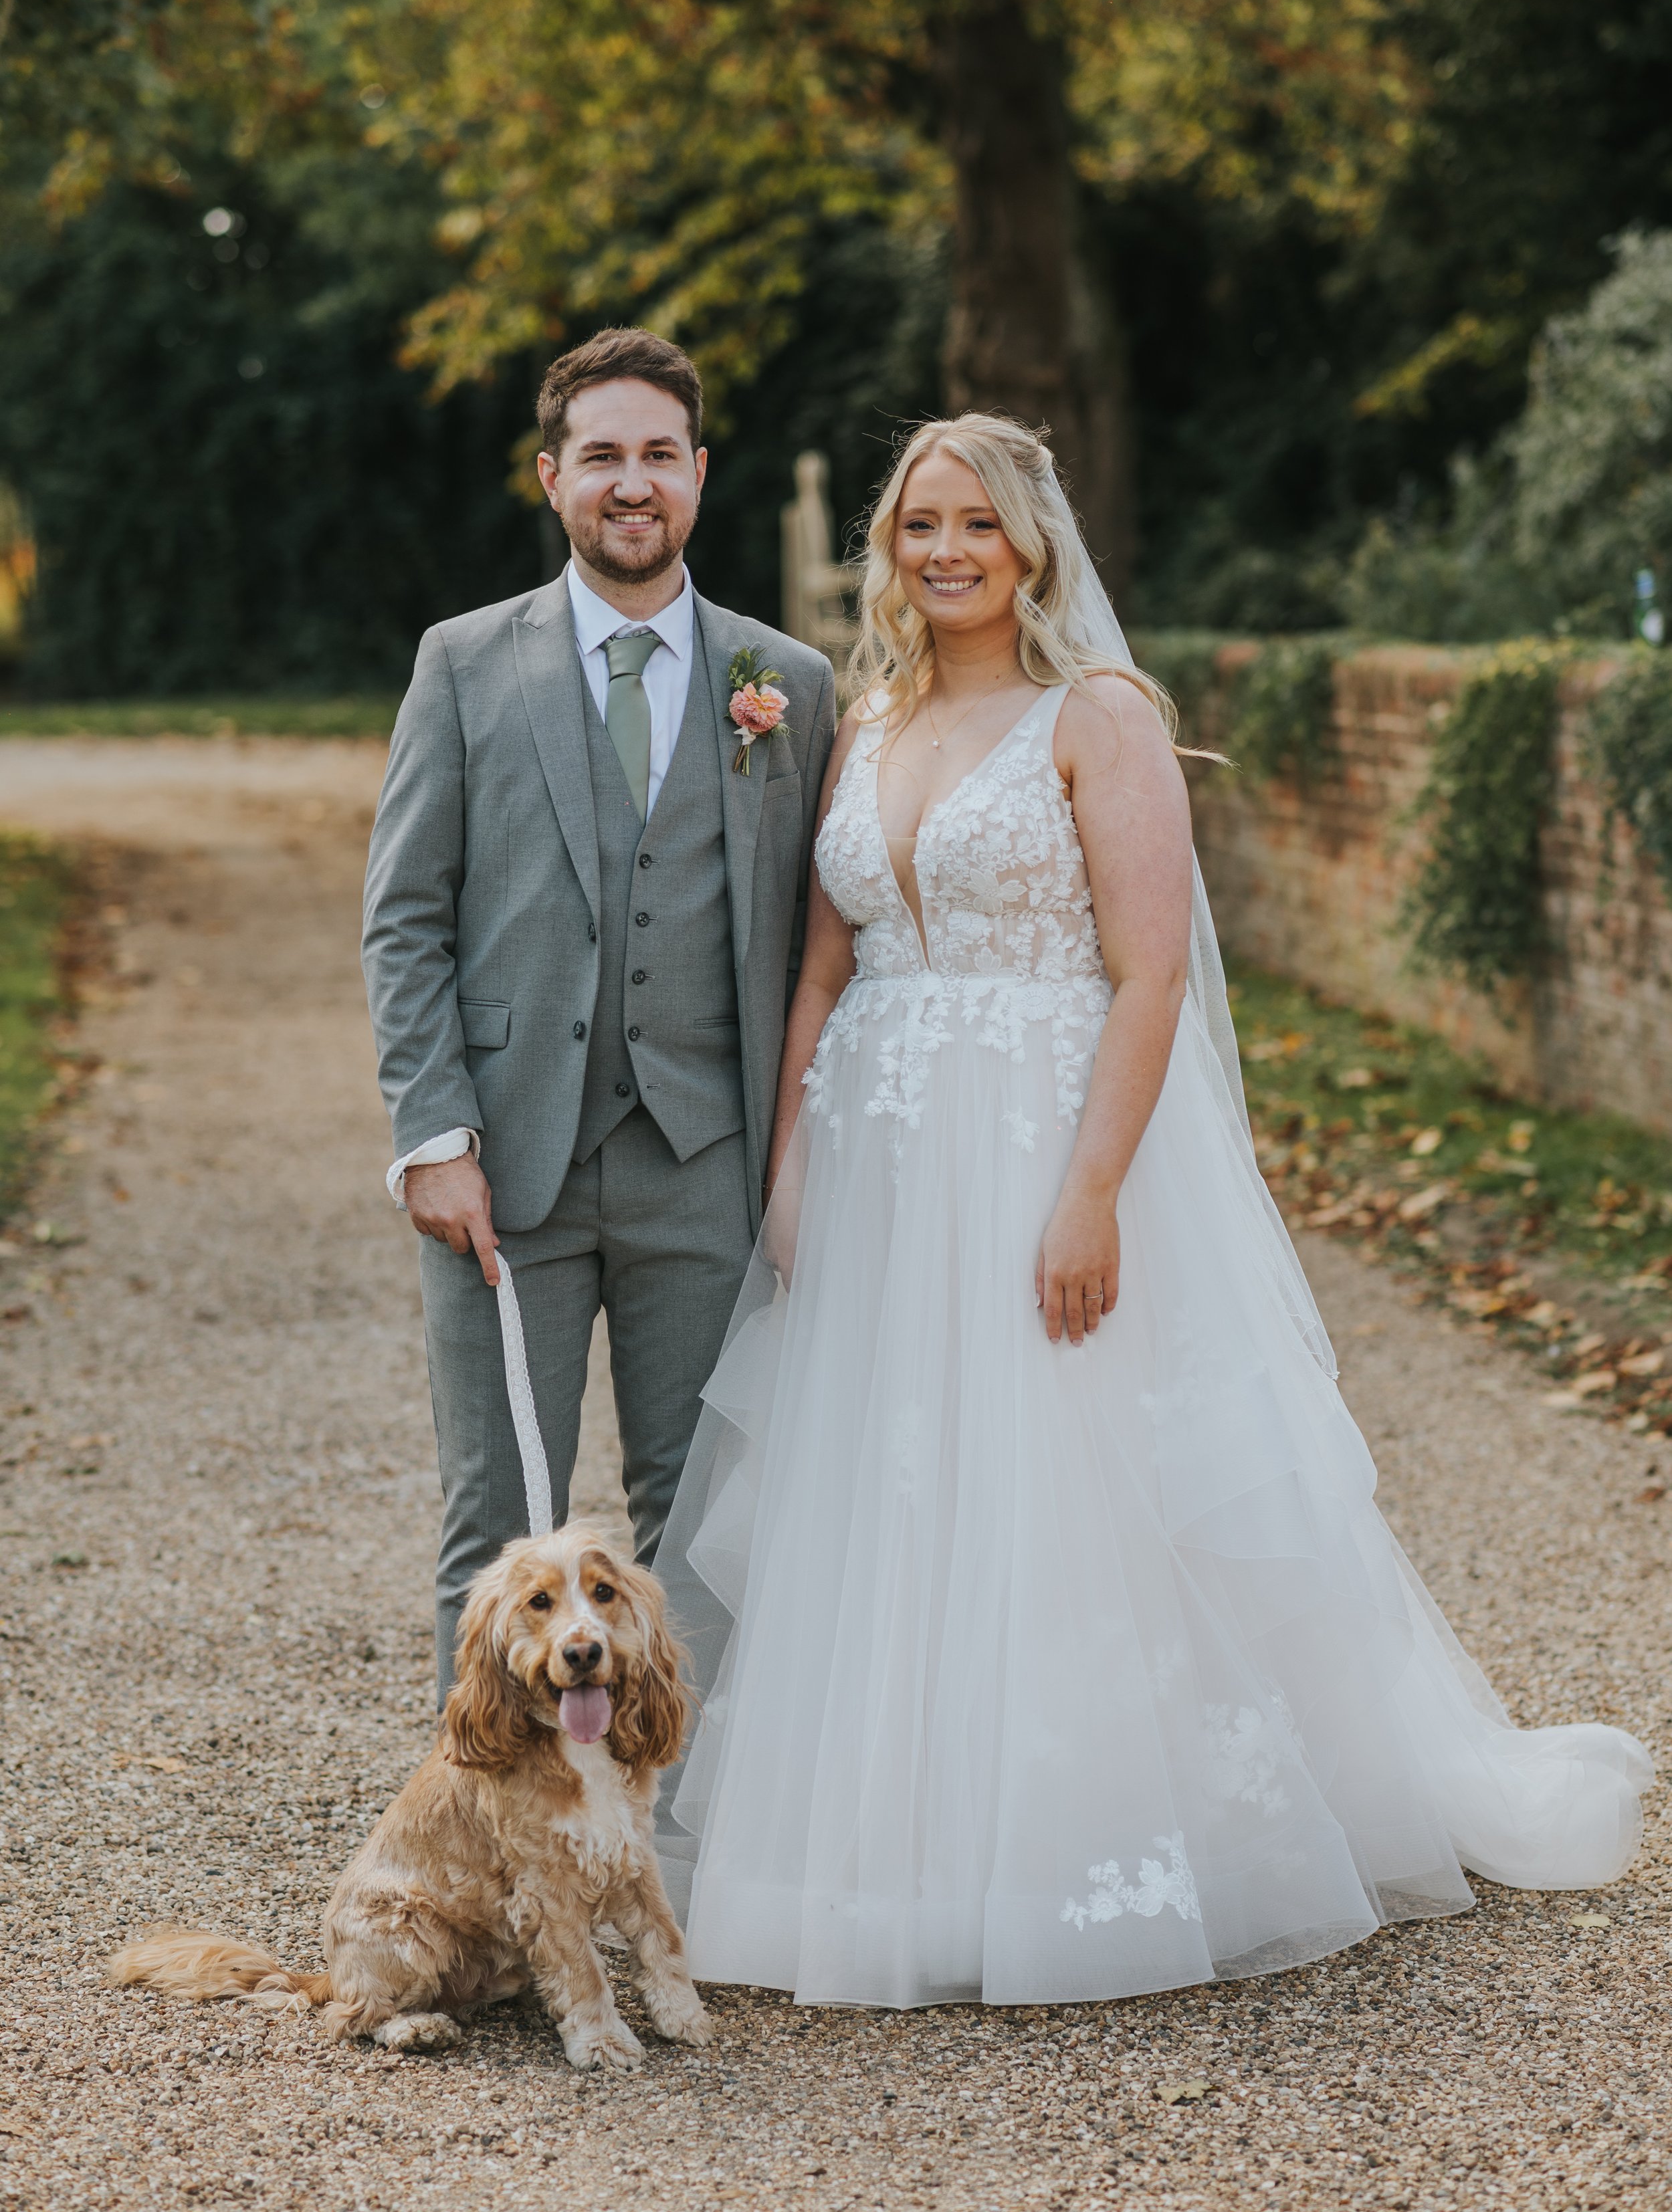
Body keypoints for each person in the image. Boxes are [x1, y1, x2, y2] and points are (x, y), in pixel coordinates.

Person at [655, 411, 1652, 2009]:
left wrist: (1090, 1194)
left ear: (1033, 539)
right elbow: (827, 962)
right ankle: (900, 1852)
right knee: (902, 1487)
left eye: (976, 522)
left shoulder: (1094, 716)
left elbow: (1148, 971)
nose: (946, 550)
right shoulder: (878, 715)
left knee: (1075, 1478)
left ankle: (1104, 1846)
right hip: (882, 1164)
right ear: (887, 547)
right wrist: (789, 1164)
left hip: (1041, 1138)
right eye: (919, 525)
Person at [362, 328, 835, 1698]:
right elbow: (403, 917)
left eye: (658, 455)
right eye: (603, 456)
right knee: (499, 1518)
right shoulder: (463, 664)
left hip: (706, 1162)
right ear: (550, 474)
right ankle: (493, 1837)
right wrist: (432, 1131)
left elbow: (827, 932)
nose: (633, 483)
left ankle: (682, 1838)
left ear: (698, 474)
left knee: (699, 1519)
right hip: (504, 1168)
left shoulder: (786, 686)